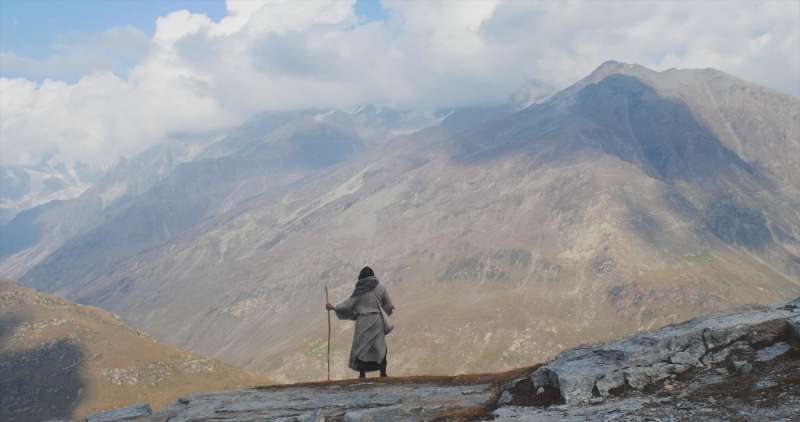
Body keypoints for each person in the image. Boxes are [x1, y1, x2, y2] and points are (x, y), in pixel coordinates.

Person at [326, 266, 395, 379]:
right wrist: (384, 313)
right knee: (380, 347)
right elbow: (388, 305)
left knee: (362, 348)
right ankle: (383, 373)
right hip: (377, 321)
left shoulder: (360, 289)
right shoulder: (381, 287)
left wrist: (334, 307)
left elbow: (348, 304)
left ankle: (362, 375)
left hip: (363, 322)